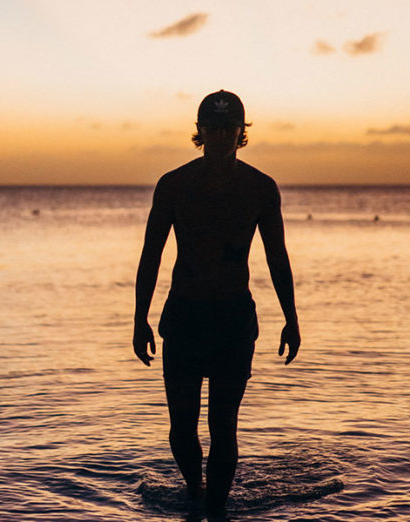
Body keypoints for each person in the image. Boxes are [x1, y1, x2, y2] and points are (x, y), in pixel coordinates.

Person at [133, 90, 300, 517]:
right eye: (213, 127)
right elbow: (151, 254)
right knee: (181, 430)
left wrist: (291, 318)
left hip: (233, 319)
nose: (222, 135)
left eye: (230, 128)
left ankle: (216, 511)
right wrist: (140, 320)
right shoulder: (174, 185)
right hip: (185, 316)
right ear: (200, 130)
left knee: (223, 427)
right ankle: (194, 492)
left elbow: (277, 257)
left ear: (242, 132)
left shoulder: (260, 188)